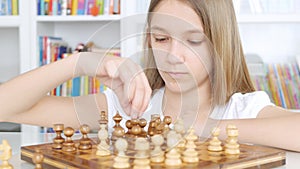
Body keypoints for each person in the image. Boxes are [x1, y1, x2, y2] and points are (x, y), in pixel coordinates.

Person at [0, 0, 299, 152]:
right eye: (161, 39)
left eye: (193, 41)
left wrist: (200, 127)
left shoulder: (242, 109)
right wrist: (77, 62)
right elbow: (6, 107)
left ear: (220, 44)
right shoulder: (127, 107)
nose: (172, 56)